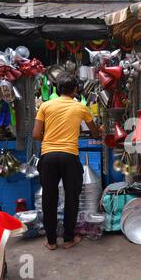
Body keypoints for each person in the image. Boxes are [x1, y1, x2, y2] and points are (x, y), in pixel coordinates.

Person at [33, 72, 100, 250]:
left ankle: (51, 241)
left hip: (48, 156)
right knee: (72, 197)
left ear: (57, 89)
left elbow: (35, 135)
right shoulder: (81, 107)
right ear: (75, 90)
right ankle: (69, 238)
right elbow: (95, 132)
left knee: (49, 198)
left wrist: (50, 139)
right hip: (69, 156)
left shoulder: (45, 106)